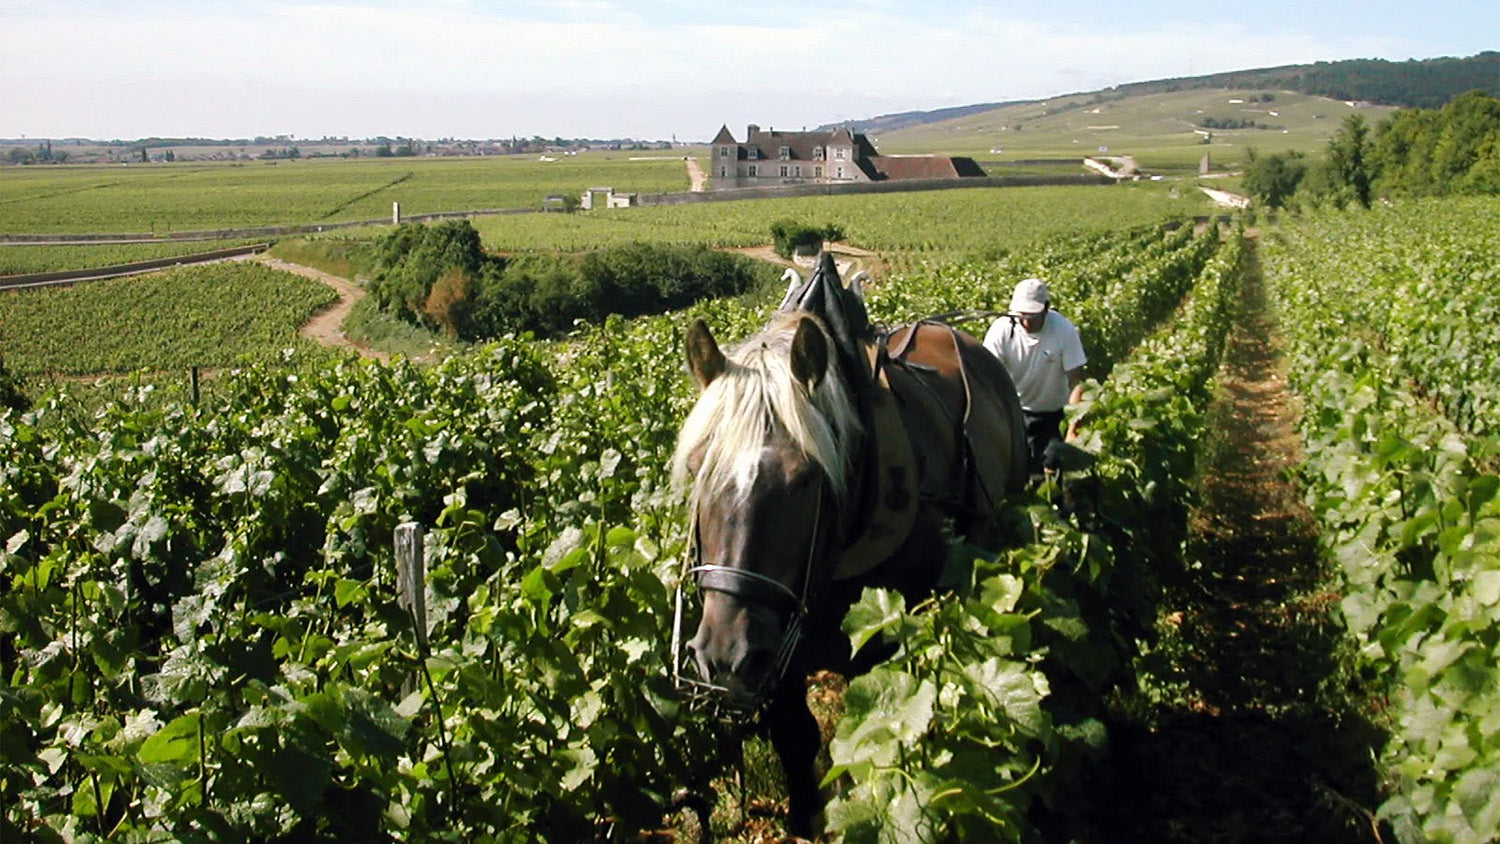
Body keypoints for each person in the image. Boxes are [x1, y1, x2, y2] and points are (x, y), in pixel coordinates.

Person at [983, 278, 1087, 476]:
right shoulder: (1002, 330)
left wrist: (1073, 429)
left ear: (1046, 308)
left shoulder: (1064, 330)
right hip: (1015, 413)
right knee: (1018, 474)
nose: (1025, 322)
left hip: (1053, 414)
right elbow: (988, 377)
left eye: (1032, 316)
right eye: (1021, 315)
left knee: (1052, 469)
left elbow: (1076, 381)